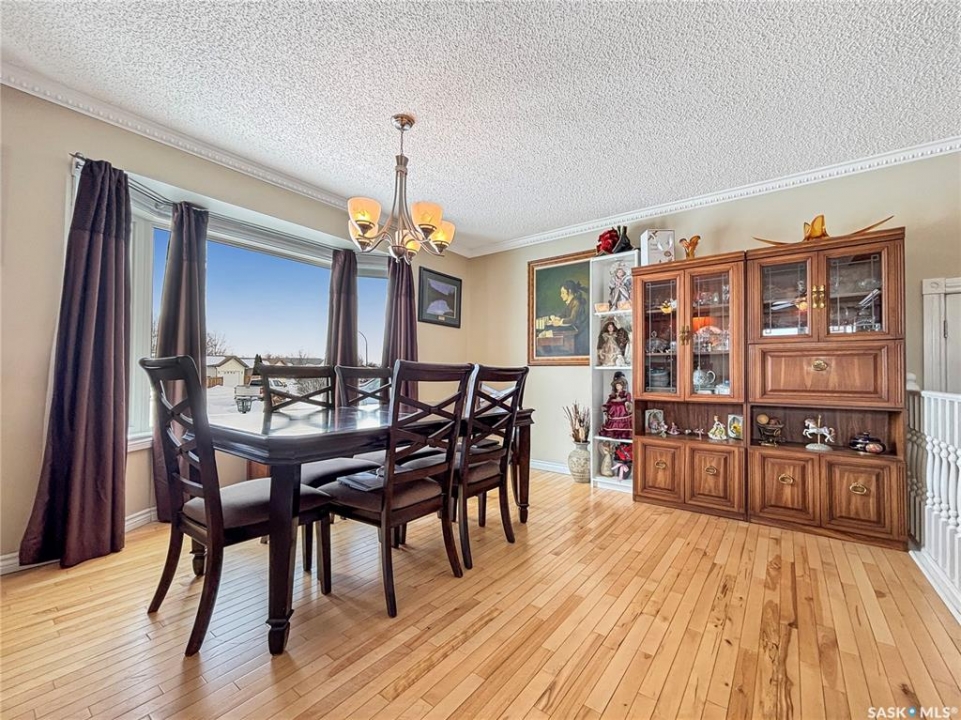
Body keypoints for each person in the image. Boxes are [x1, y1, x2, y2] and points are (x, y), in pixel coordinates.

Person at [547, 280, 589, 355]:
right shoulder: (571, 302)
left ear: (569, 291)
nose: (561, 295)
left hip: (579, 335)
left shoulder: (576, 302)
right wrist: (555, 318)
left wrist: (559, 322)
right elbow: (563, 314)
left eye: (563, 293)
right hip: (574, 333)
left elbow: (572, 319)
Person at [601, 371, 633, 439]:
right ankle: (614, 430)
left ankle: (623, 431)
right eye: (617, 385)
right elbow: (609, 401)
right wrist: (606, 407)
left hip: (622, 410)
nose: (618, 387)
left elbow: (628, 400)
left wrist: (626, 403)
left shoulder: (626, 393)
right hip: (614, 411)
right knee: (613, 406)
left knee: (621, 407)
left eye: (619, 385)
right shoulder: (613, 395)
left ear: (622, 386)